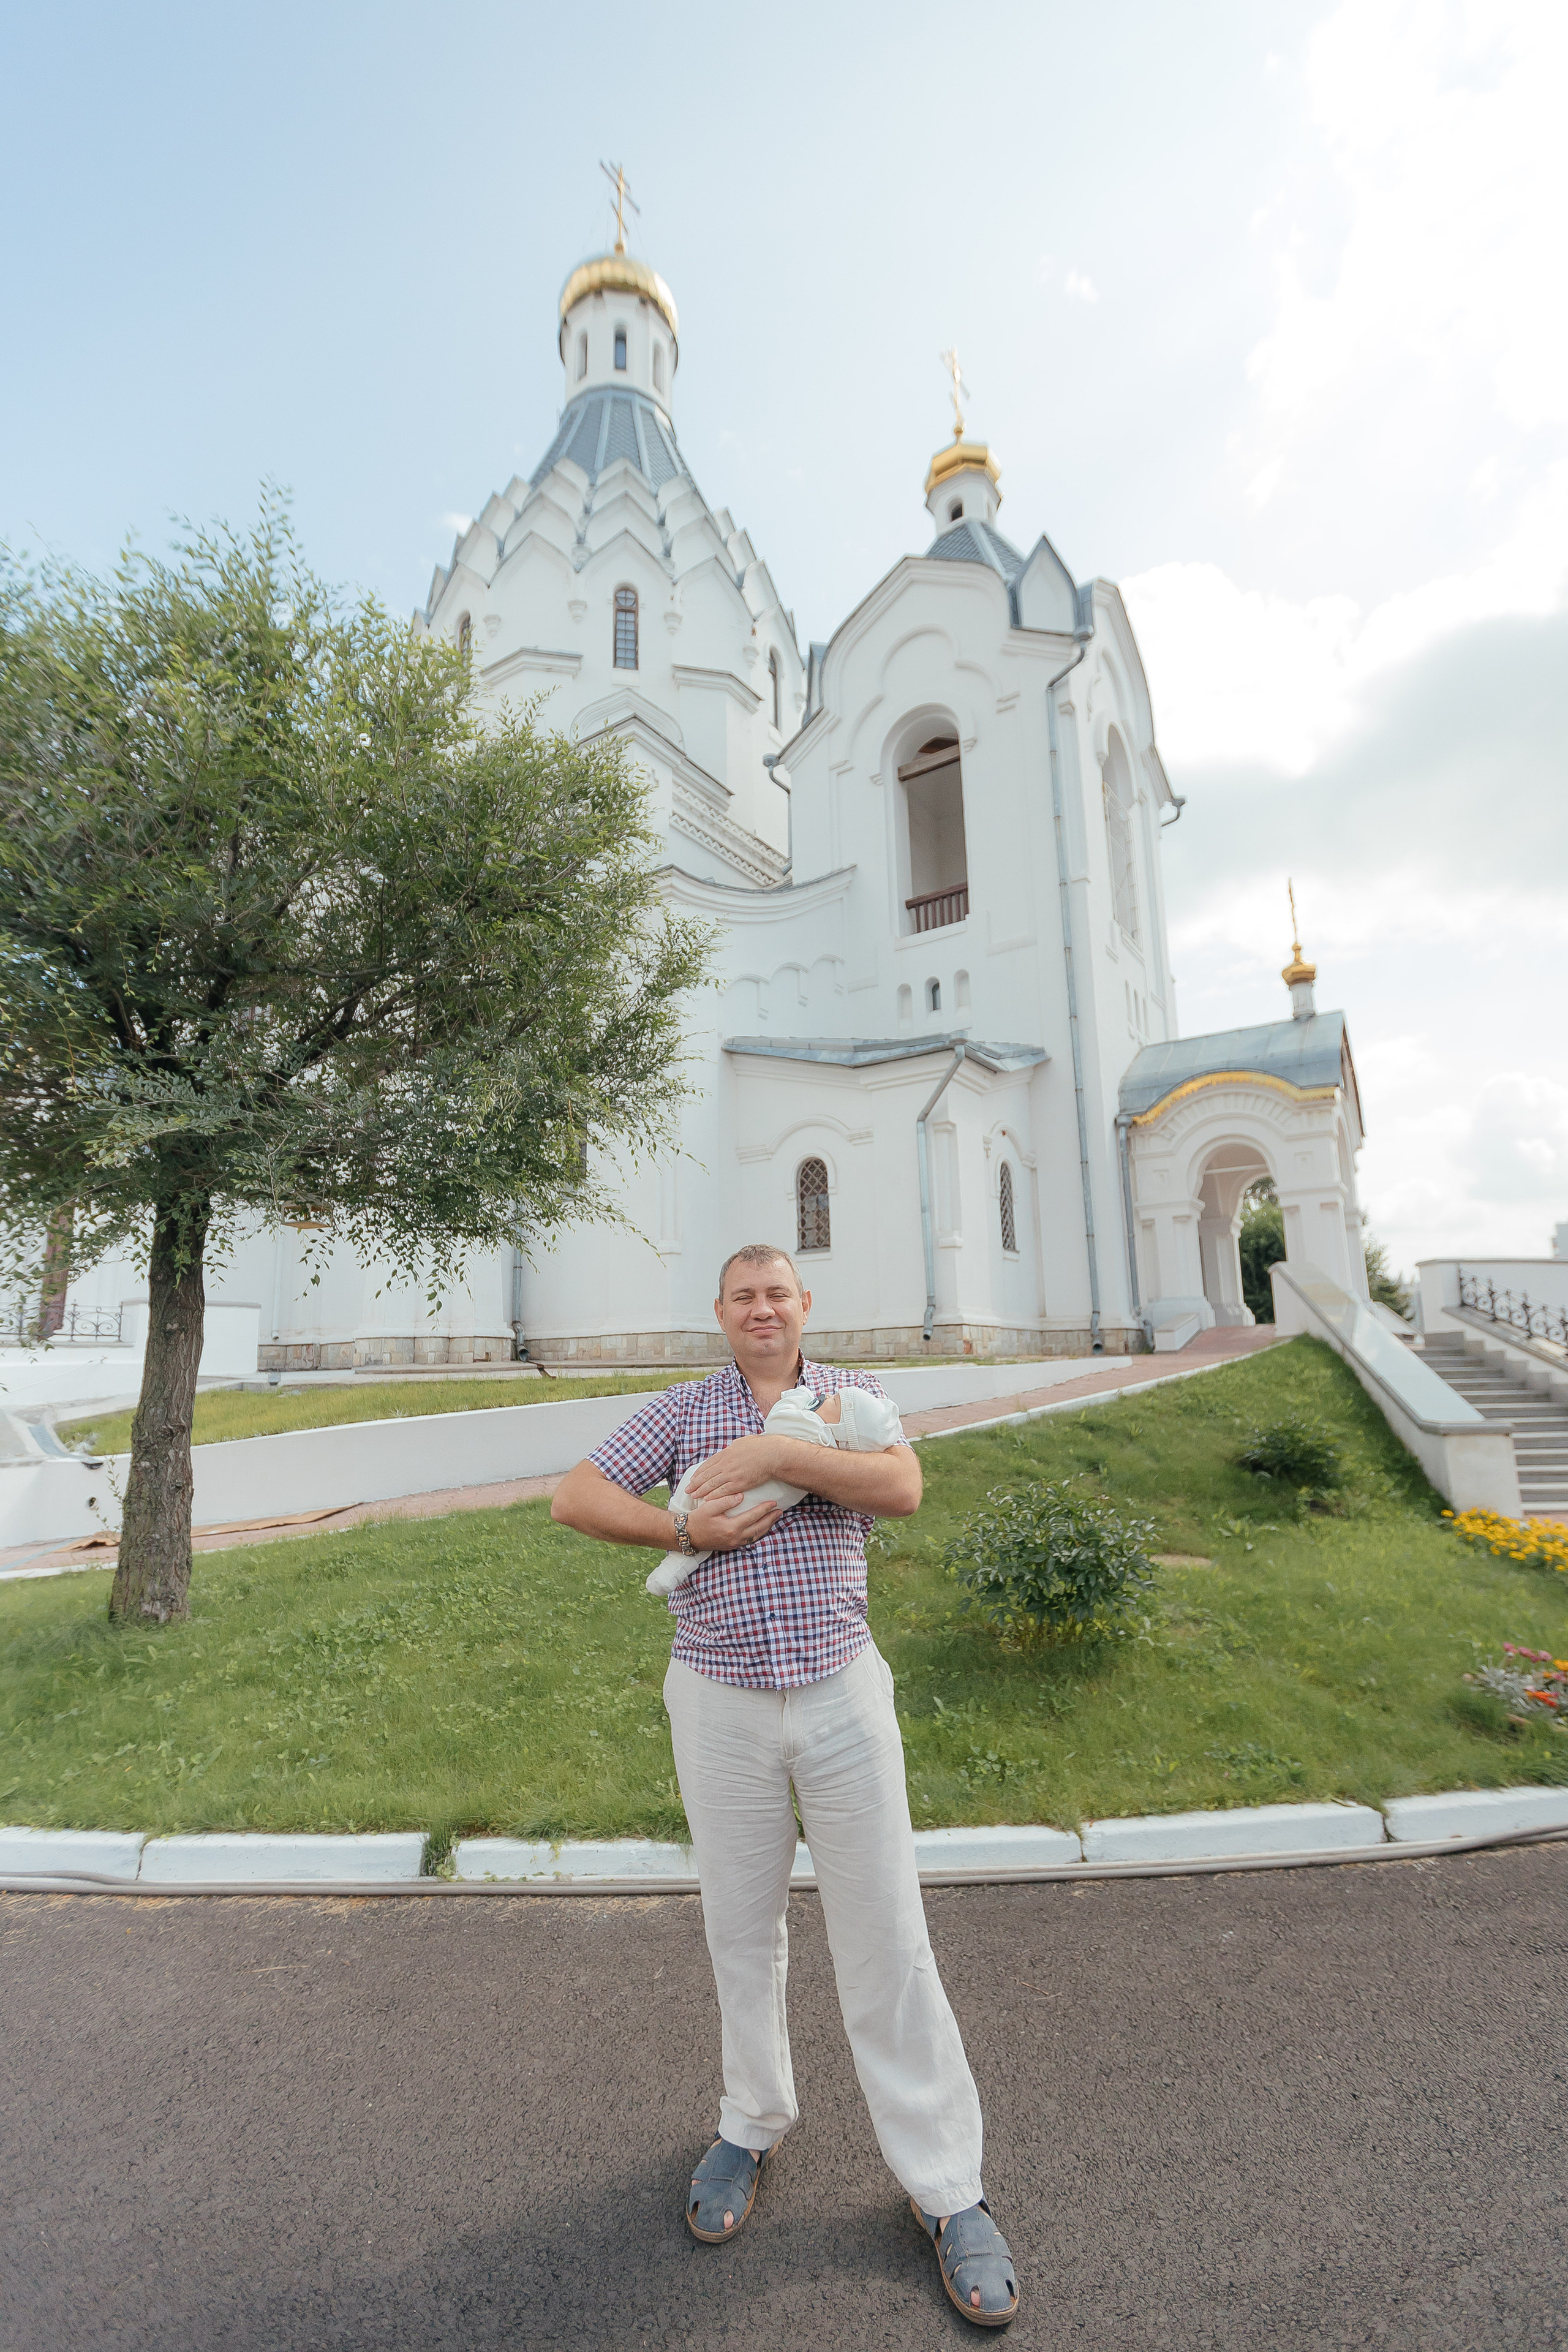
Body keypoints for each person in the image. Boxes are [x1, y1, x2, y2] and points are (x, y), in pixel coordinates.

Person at [551, 1243, 1020, 2326]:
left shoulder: (853, 1401)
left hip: (840, 1697)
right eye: (744, 1297)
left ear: (806, 1306)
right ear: (721, 1313)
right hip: (717, 1700)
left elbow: (902, 1485)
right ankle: (752, 2122)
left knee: (887, 1935)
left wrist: (779, 1450)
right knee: (740, 1927)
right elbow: (573, 1496)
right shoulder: (677, 1412)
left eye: (779, 1295)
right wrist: (682, 1525)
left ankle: (947, 2188)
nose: (763, 1310)